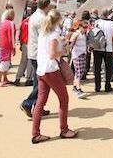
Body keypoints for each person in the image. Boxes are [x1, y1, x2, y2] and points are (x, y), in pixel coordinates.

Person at [31, 9, 77, 144]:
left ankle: (36, 133)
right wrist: (63, 51)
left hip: (41, 70)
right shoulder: (53, 35)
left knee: (40, 102)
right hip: (51, 70)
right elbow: (52, 54)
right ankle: (64, 130)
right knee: (64, 99)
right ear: (57, 21)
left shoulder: (43, 33)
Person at [20, 0, 52, 118]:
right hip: (40, 53)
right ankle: (28, 103)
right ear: (47, 5)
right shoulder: (42, 18)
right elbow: (45, 37)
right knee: (43, 82)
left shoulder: (34, 16)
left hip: (33, 51)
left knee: (38, 81)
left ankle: (37, 106)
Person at [94, 8, 113, 92]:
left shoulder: (96, 23)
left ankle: (97, 86)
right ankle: (107, 86)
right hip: (108, 48)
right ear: (108, 15)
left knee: (97, 68)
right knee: (108, 68)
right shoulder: (112, 24)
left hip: (97, 47)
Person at [70, 20, 89, 98]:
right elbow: (71, 42)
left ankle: (75, 87)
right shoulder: (76, 34)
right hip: (77, 55)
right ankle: (79, 89)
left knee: (80, 72)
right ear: (80, 27)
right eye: (84, 27)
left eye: (86, 27)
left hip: (83, 54)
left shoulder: (84, 34)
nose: (85, 29)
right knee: (78, 72)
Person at [0, 9, 16, 87]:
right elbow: (11, 37)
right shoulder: (10, 24)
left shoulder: (3, 23)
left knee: (5, 62)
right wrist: (13, 47)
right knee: (4, 63)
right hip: (7, 46)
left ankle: (4, 78)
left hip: (2, 44)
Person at [14, 14, 33, 86]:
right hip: (31, 43)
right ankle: (29, 79)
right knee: (30, 61)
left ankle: (18, 78)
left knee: (23, 61)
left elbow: (20, 34)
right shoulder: (34, 21)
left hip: (24, 43)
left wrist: (21, 44)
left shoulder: (24, 22)